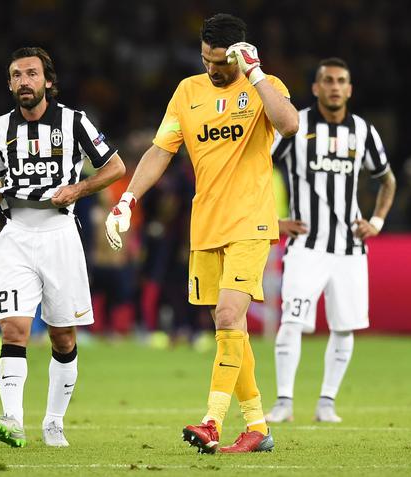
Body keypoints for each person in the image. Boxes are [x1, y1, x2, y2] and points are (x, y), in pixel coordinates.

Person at [105, 13, 298, 453]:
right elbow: (161, 150)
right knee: (229, 327)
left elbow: (289, 125)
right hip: (205, 225)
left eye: (220, 63)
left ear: (238, 54)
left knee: (229, 317)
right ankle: (258, 427)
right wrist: (127, 200)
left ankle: (212, 421)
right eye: (206, 60)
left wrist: (256, 73)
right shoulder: (187, 92)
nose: (212, 69)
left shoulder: (263, 86)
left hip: (251, 220)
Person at [0, 47, 125, 448]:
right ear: (9, 83)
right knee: (14, 326)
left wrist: (78, 188)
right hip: (15, 235)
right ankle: (12, 419)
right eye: (16, 75)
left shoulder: (74, 121)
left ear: (48, 81)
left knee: (63, 337)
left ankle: (54, 422)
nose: (23, 81)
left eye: (31, 74)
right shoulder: (0, 127)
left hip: (60, 235)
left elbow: (116, 167)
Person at [265, 58, 396, 424]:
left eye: (341, 81)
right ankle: (284, 403)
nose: (335, 87)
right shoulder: (297, 125)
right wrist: (273, 220)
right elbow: (258, 168)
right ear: (316, 88)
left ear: (349, 89)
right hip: (307, 245)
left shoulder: (363, 131)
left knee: (344, 325)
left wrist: (377, 221)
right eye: (328, 81)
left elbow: (387, 179)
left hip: (351, 248)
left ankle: (326, 404)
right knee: (291, 323)